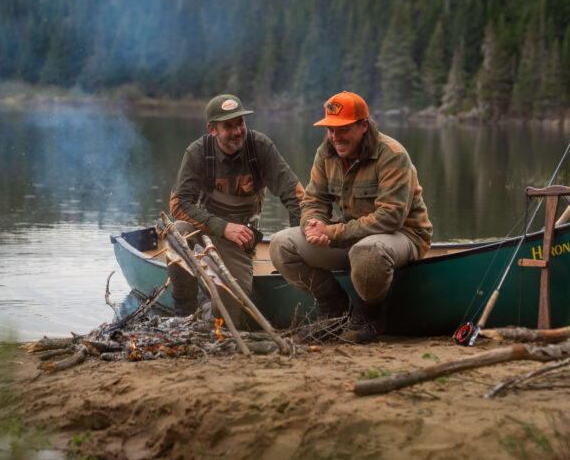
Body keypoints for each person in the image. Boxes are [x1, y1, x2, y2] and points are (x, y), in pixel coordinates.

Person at [269, 91, 432, 342]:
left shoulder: (392, 154)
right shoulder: (325, 153)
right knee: (282, 245)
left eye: (342, 128)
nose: (335, 137)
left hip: (402, 236)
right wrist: (313, 225)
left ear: (363, 126)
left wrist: (332, 233)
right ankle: (335, 309)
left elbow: (390, 217)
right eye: (330, 129)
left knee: (367, 253)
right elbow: (314, 200)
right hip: (353, 238)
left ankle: (368, 314)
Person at [168, 94, 303, 325]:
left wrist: (301, 242)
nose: (237, 131)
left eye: (240, 123)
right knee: (178, 232)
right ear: (212, 129)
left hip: (240, 240)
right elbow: (178, 205)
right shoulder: (197, 152)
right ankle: (183, 312)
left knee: (233, 307)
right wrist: (222, 227)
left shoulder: (259, 147)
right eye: (228, 126)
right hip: (203, 230)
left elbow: (295, 195)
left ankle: (209, 311)